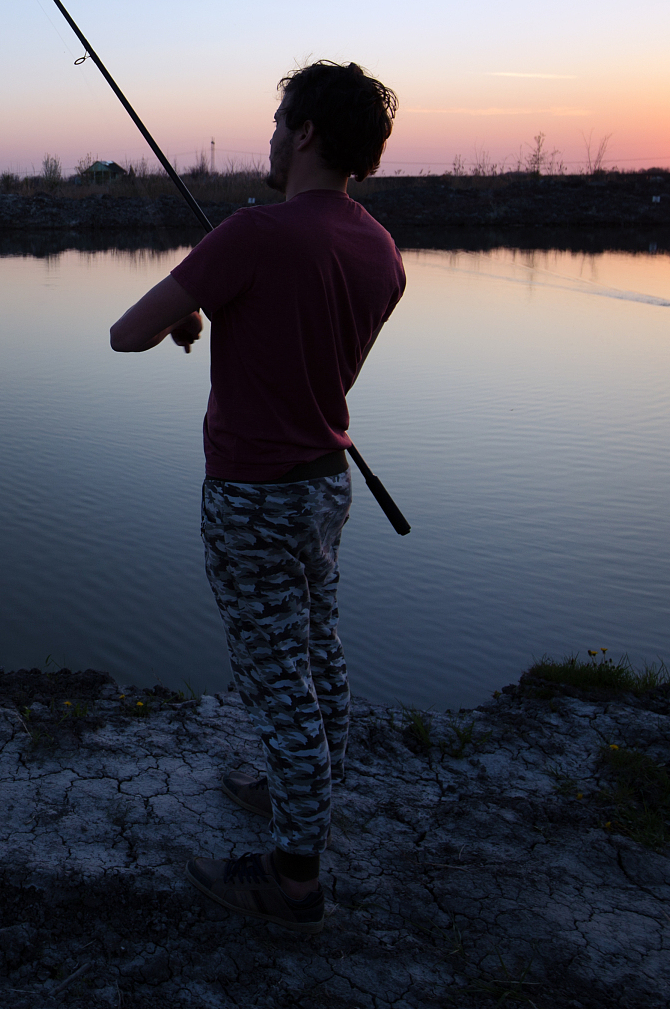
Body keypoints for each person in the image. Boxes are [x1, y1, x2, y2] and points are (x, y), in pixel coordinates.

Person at [108, 60, 406, 932]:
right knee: (320, 653)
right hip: (324, 485)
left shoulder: (253, 234)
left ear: (306, 132)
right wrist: (214, 300)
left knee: (277, 682)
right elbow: (294, 330)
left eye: (281, 121)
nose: (272, 135)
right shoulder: (379, 249)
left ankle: (293, 880)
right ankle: (302, 794)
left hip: (251, 496)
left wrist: (191, 297)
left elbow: (127, 334)